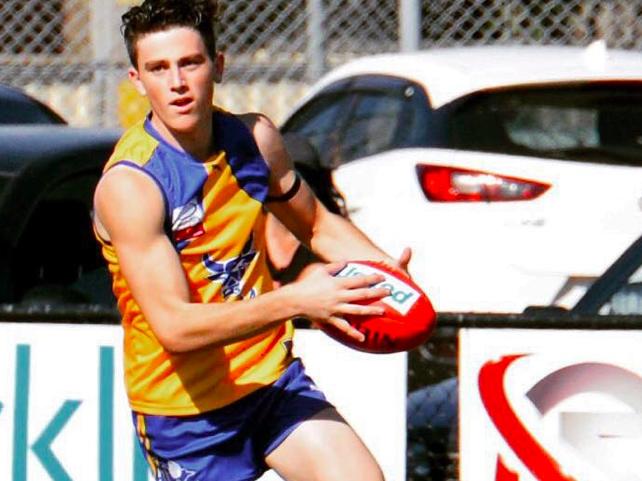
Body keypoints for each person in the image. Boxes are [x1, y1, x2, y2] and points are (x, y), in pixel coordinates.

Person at [92, 1, 411, 480]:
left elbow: (318, 226)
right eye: (158, 68)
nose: (177, 83)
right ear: (137, 79)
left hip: (270, 381)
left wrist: (386, 274)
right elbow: (175, 327)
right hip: (185, 413)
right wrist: (297, 300)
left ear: (217, 66)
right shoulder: (132, 185)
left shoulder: (255, 138)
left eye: (190, 63)